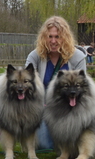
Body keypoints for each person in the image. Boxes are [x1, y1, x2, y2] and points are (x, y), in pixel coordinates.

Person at [26, 16, 87, 150]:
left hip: (69, 109)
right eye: (50, 36)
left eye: (58, 37)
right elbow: (27, 87)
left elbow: (84, 88)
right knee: (45, 146)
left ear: (65, 37)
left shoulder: (77, 58)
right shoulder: (34, 56)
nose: (53, 41)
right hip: (42, 109)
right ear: (44, 37)